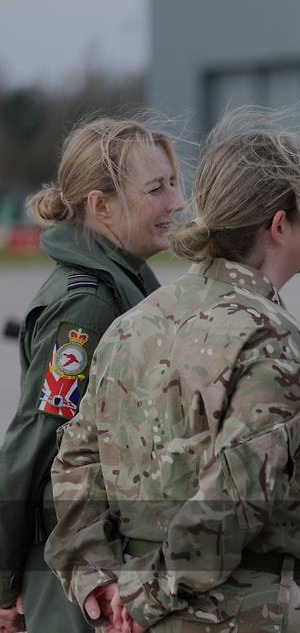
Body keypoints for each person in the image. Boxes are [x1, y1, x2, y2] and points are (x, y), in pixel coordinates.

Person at [45, 113, 300, 632]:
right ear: (279, 225)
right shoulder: (267, 338)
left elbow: (76, 460)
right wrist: (144, 596)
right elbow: (235, 497)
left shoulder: (133, 324)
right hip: (249, 613)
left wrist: (98, 579)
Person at [0, 118, 183, 633]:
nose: (176, 202)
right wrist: (5, 580)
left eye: (173, 183)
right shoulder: (88, 307)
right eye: (156, 189)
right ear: (101, 206)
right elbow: (36, 444)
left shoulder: (129, 285)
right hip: (75, 573)